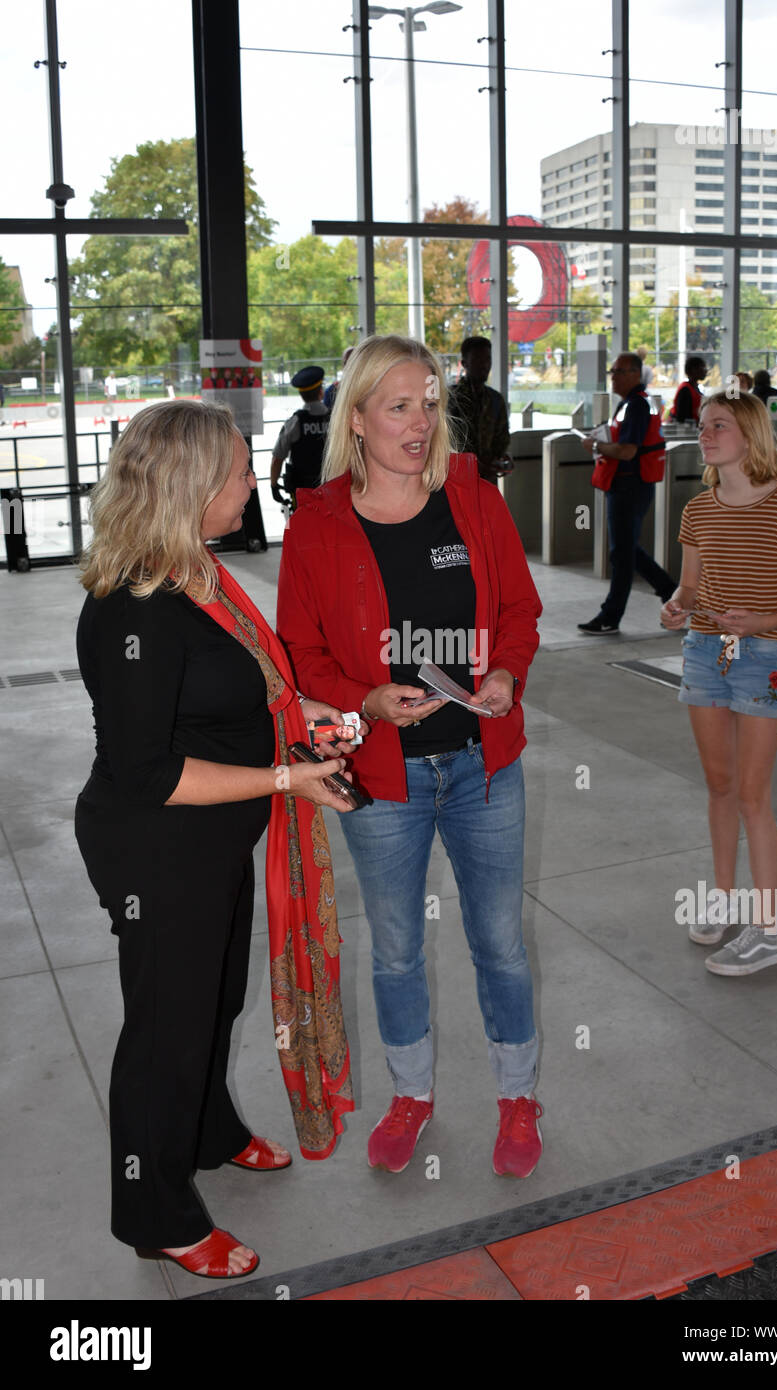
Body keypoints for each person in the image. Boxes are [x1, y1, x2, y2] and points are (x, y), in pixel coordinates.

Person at [75, 399, 360, 1280]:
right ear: (192, 486)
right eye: (239, 470)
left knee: (215, 1004)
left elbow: (241, 693)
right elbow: (151, 774)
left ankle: (209, 1132)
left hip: (212, 839)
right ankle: (154, 1212)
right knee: (166, 1031)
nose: (251, 483)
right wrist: (287, 779)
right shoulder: (133, 613)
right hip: (156, 851)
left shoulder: (195, 574)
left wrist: (306, 717)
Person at [277, 334, 545, 1179]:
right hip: (384, 780)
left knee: (499, 943)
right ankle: (411, 1096)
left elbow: (520, 611)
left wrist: (504, 670)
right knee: (393, 949)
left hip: (481, 765)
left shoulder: (472, 496)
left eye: (429, 402)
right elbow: (299, 652)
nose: (422, 421)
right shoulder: (317, 523)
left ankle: (516, 1097)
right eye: (399, 406)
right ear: (355, 419)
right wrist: (363, 700)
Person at [660, 390, 777, 975]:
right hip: (705, 652)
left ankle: (768, 930)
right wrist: (675, 607)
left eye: (719, 425)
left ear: (751, 434)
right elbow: (689, 587)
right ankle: (727, 901)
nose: (705, 434)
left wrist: (761, 621)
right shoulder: (698, 509)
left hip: (762, 655)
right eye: (703, 426)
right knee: (720, 786)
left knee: (755, 797)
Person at [578, 352, 676, 634]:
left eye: (619, 371)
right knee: (627, 549)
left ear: (635, 373)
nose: (613, 376)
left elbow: (628, 450)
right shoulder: (627, 404)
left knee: (622, 553)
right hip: (624, 485)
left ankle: (610, 616)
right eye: (613, 371)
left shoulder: (636, 406)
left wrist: (595, 447)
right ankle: (670, 590)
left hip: (630, 485)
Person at [447, 335, 512, 482]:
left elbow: (502, 439)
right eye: (477, 359)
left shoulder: (495, 399)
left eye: (487, 359)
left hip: (487, 480)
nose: (484, 365)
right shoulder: (451, 399)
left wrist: (500, 459)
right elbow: (447, 442)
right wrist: (473, 465)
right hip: (457, 481)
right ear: (465, 363)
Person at [270, 365, 330, 511]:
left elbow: (277, 458)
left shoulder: (295, 422)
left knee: (305, 528)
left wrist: (274, 485)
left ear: (302, 394)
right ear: (321, 392)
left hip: (303, 492)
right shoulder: (336, 419)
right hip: (332, 488)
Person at [670, 355, 707, 422]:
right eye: (702, 367)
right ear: (693, 370)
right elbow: (682, 417)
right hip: (686, 429)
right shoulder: (685, 390)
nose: (705, 371)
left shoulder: (695, 388)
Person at [324, 347, 354, 411]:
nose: (350, 365)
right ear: (343, 365)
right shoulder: (331, 391)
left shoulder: (370, 390)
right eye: (346, 362)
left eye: (353, 361)